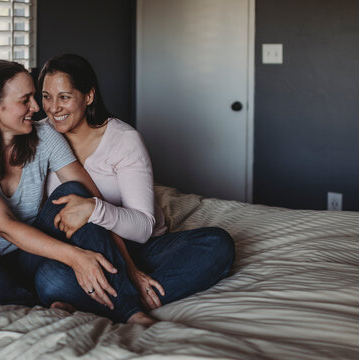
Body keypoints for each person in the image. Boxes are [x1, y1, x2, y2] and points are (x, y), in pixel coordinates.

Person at [0, 60, 155, 325]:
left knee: (73, 192)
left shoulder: (45, 136)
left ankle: (129, 310)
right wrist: (76, 257)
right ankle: (41, 300)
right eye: (25, 100)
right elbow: (5, 226)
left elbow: (92, 203)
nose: (38, 108)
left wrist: (129, 268)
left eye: (35, 98)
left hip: (37, 253)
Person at [37, 54, 235, 311]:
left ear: (88, 96)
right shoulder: (39, 136)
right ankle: (125, 300)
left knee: (217, 245)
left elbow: (143, 227)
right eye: (46, 96)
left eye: (64, 97)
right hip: (81, 251)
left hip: (138, 248)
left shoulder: (123, 139)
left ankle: (111, 300)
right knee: (48, 279)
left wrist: (94, 209)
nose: (53, 108)